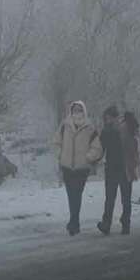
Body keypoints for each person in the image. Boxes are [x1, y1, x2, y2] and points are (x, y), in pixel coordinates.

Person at [52, 101, 102, 236]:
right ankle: (74, 222)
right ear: (71, 111)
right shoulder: (65, 125)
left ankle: (74, 222)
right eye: (75, 109)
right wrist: (60, 156)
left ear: (84, 111)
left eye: (80, 109)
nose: (77, 112)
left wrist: (88, 158)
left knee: (77, 194)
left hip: (81, 167)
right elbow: (56, 142)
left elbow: (97, 147)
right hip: (67, 166)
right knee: (71, 195)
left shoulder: (90, 127)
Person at [97, 105, 133, 235]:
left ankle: (125, 223)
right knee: (111, 198)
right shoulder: (106, 131)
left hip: (124, 168)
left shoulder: (125, 130)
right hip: (112, 168)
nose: (107, 121)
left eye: (109, 118)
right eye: (106, 119)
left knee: (125, 198)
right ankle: (107, 224)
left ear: (115, 117)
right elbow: (100, 149)